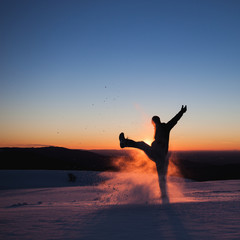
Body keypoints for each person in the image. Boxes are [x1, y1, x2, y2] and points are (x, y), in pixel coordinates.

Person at [119, 105, 187, 202]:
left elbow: (174, 120)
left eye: (154, 122)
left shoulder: (165, 127)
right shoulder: (157, 128)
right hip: (156, 153)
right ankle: (124, 142)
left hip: (160, 156)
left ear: (157, 120)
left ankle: (164, 196)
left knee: (161, 175)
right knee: (142, 145)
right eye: (153, 122)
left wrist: (181, 112)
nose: (154, 124)